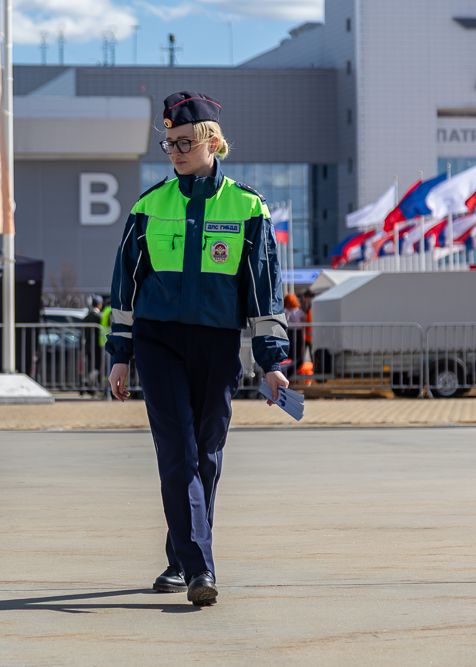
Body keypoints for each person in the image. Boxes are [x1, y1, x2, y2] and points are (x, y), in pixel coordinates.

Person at [106, 91, 289, 606]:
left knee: (206, 454)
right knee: (179, 451)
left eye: (185, 142)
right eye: (169, 144)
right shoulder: (148, 206)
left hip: (217, 344)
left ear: (212, 141)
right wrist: (120, 355)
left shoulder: (248, 206)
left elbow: (264, 290)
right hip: (159, 342)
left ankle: (178, 556)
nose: (176, 151)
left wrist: (272, 363)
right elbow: (125, 290)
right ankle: (199, 570)